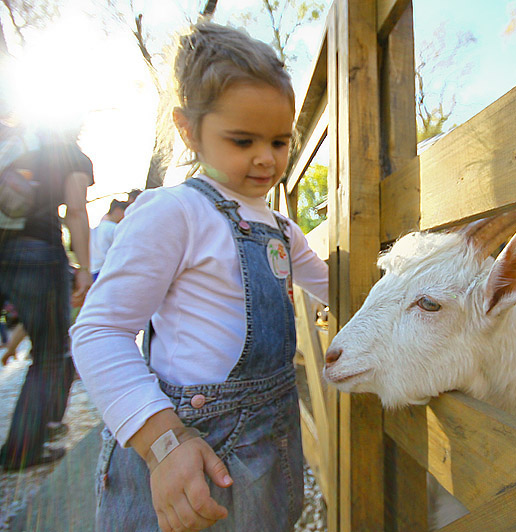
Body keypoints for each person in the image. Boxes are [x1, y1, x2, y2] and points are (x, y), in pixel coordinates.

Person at [71, 21, 328, 532]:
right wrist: (164, 443)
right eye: (243, 139)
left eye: (281, 140)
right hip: (188, 449)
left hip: (270, 444)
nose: (267, 157)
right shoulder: (174, 212)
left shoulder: (279, 227)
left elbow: (336, 285)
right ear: (188, 129)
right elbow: (99, 332)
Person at [0, 123, 94, 470]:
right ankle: (22, 451)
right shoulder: (73, 156)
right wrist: (83, 267)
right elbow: (76, 210)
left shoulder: (17, 146)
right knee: (50, 355)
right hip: (39, 252)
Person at [89, 198, 127, 280]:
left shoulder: (98, 227)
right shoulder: (114, 228)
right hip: (106, 270)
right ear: (118, 210)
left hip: (93, 269)